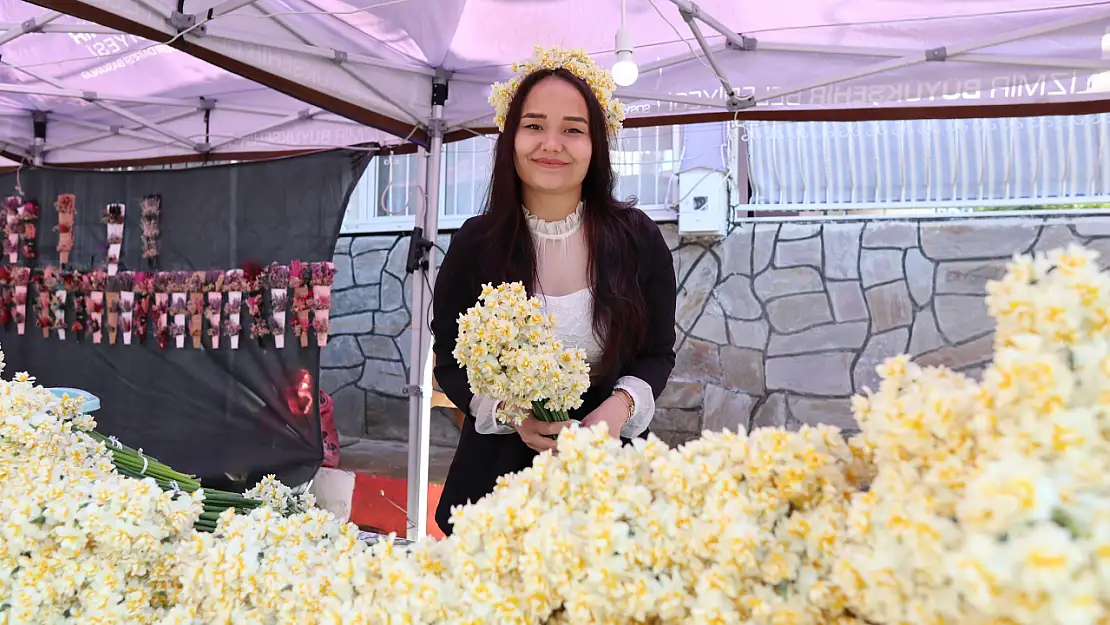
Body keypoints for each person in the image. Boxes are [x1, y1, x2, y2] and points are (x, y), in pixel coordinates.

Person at [431, 48, 677, 536]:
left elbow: (656, 354)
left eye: (572, 129)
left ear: (596, 143)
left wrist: (618, 409)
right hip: (497, 486)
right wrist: (512, 413)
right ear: (511, 137)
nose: (551, 144)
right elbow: (450, 362)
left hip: (609, 477)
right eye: (534, 125)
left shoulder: (637, 239)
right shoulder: (475, 244)